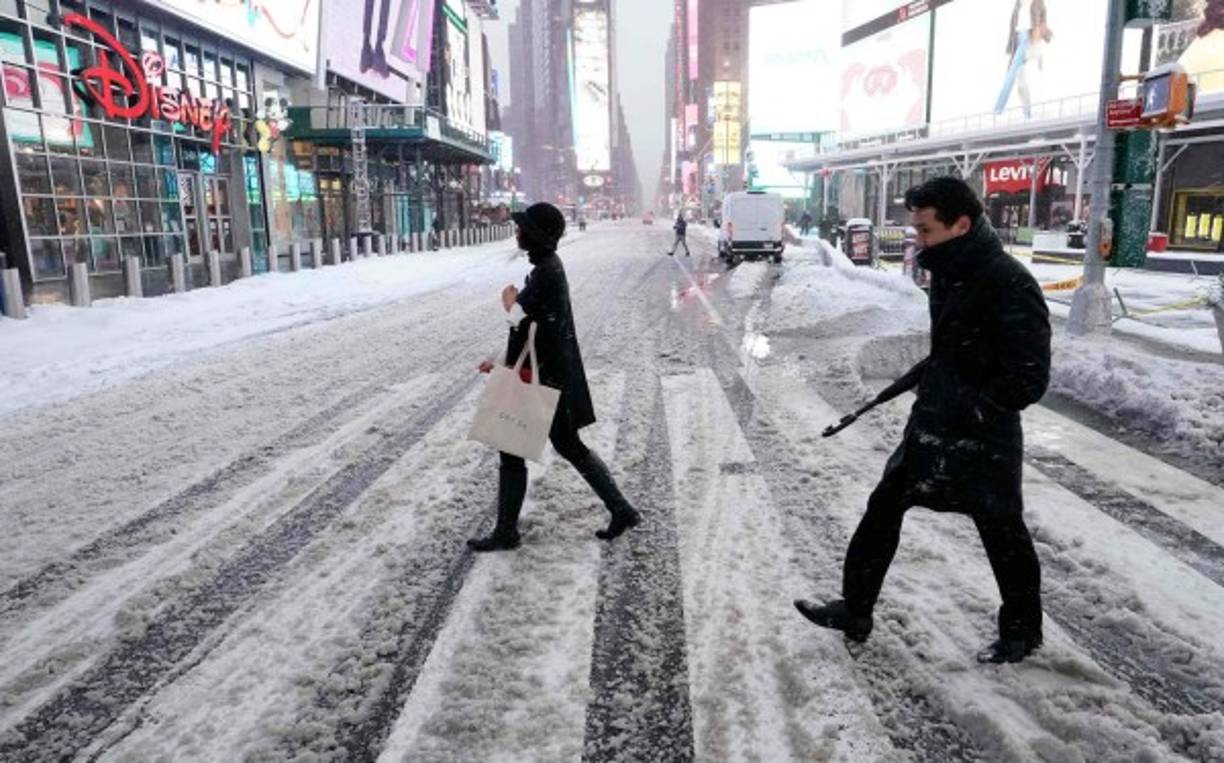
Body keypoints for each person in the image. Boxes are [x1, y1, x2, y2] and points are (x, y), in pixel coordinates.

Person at [794, 176, 1051, 664]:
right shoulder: (950, 271)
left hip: (982, 436)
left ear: (962, 224)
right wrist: (928, 384)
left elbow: (1030, 377)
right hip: (933, 422)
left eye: (926, 230)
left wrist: (974, 410)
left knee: (1002, 531)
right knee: (883, 509)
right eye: (915, 229)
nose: (918, 240)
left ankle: (1021, 633)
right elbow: (953, 350)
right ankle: (856, 609)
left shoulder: (1009, 283)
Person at [469, 202, 641, 552]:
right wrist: (501, 361)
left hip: (547, 379)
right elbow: (529, 329)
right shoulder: (546, 267)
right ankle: (620, 509)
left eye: (523, 228)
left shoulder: (547, 270)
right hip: (545, 375)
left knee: (538, 447)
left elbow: (517, 317)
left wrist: (509, 299)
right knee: (538, 447)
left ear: (535, 235)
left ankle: (508, 532)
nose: (517, 232)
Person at [995, 0, 1052, 119]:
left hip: (1027, 39)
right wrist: (1011, 46)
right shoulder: (1018, 3)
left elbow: (1043, 23)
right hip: (1017, 40)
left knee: (1011, 74)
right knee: (1021, 83)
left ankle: (997, 110)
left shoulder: (1038, 3)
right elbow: (1013, 26)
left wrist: (1040, 40)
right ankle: (1027, 114)